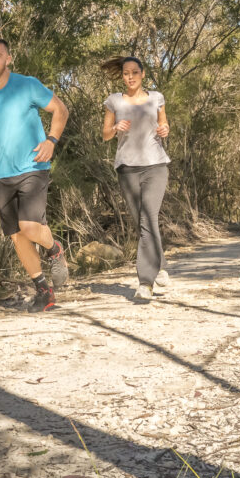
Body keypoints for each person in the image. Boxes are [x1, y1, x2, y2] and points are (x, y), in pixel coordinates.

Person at [0, 38, 70, 311]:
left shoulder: (28, 85)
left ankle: (54, 249)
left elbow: (60, 110)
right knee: (17, 236)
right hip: (2, 175)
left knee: (30, 227)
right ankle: (44, 292)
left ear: (8, 59)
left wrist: (51, 141)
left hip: (34, 166)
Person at [101, 55, 171, 303]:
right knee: (141, 222)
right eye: (125, 73)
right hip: (127, 168)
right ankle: (160, 262)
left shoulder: (156, 98)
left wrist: (164, 129)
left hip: (156, 166)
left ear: (142, 75)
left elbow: (164, 124)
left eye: (134, 73)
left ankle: (145, 283)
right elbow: (105, 135)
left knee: (147, 217)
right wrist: (115, 128)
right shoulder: (114, 101)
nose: (129, 77)